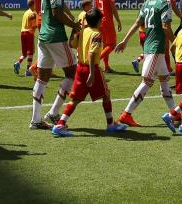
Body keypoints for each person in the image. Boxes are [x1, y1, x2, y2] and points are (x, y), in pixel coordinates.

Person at [51, 8, 128, 137]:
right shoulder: (97, 34)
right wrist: (92, 73)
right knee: (106, 95)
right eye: (101, 19)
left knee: (75, 99)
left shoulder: (83, 31)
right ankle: (111, 125)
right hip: (91, 68)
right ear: (98, 21)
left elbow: (72, 44)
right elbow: (92, 53)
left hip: (80, 68)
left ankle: (60, 124)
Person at [115, 0, 177, 127]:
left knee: (164, 81)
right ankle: (126, 114)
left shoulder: (148, 2)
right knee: (147, 82)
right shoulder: (165, 1)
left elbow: (137, 23)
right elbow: (165, 26)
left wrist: (125, 40)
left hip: (152, 46)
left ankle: (174, 113)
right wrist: (176, 42)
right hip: (156, 47)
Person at [29, 0, 81, 130]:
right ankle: (53, 112)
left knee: (42, 77)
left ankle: (36, 119)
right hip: (56, 36)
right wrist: (74, 24)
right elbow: (56, 13)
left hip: (43, 36)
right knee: (72, 73)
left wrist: (70, 17)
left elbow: (56, 9)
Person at [94, 0, 122, 72]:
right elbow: (113, 9)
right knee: (112, 44)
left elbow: (96, 8)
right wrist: (118, 21)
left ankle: (106, 67)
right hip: (107, 22)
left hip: (99, 21)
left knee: (106, 44)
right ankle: (95, 63)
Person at [13, 0, 38, 76]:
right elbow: (33, 25)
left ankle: (18, 62)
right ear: (33, 4)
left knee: (24, 53)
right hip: (29, 33)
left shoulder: (26, 12)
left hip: (22, 32)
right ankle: (28, 70)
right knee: (30, 52)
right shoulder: (32, 14)